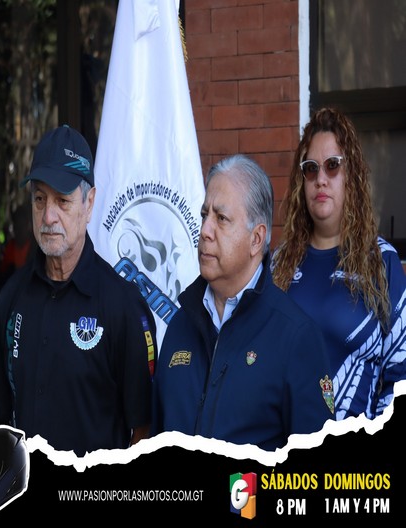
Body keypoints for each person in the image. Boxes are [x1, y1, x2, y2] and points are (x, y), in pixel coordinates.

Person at [0, 125, 157, 456]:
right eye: (40, 199)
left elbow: (144, 431)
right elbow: (2, 417)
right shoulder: (10, 299)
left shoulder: (123, 306)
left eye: (62, 201)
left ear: (89, 203)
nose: (48, 216)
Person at [151, 154, 334, 451]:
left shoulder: (296, 337)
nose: (205, 230)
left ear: (256, 239)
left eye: (221, 218)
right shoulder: (181, 323)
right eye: (204, 215)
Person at [272, 107, 406, 421]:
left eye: (333, 165)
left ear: (351, 176)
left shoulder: (382, 262)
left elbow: (400, 375)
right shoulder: (279, 264)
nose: (321, 179)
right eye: (311, 169)